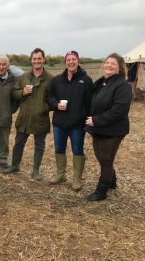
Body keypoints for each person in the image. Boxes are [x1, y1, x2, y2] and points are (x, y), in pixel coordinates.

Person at [85, 52, 132, 201]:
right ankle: (112, 181)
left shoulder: (122, 85)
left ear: (119, 69)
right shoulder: (102, 82)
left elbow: (119, 110)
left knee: (105, 159)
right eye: (107, 63)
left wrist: (96, 120)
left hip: (113, 128)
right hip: (98, 127)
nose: (109, 65)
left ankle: (101, 191)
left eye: (113, 64)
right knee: (101, 157)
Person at [3, 48, 54, 180]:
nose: (37, 61)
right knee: (18, 143)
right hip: (24, 116)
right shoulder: (24, 77)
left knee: (40, 145)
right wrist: (23, 93)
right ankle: (15, 165)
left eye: (39, 58)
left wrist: (44, 108)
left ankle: (36, 171)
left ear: (43, 59)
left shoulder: (50, 79)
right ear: (31, 60)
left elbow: (54, 98)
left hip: (40, 117)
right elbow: (14, 93)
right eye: (34, 59)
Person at [46, 51, 93, 191]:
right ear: (65, 62)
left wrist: (86, 118)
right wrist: (55, 104)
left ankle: (77, 179)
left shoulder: (86, 80)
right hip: (59, 122)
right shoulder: (58, 79)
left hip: (77, 124)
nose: (71, 62)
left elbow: (90, 102)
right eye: (68, 60)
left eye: (73, 59)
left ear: (78, 61)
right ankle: (60, 175)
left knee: (77, 150)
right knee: (59, 148)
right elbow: (48, 95)